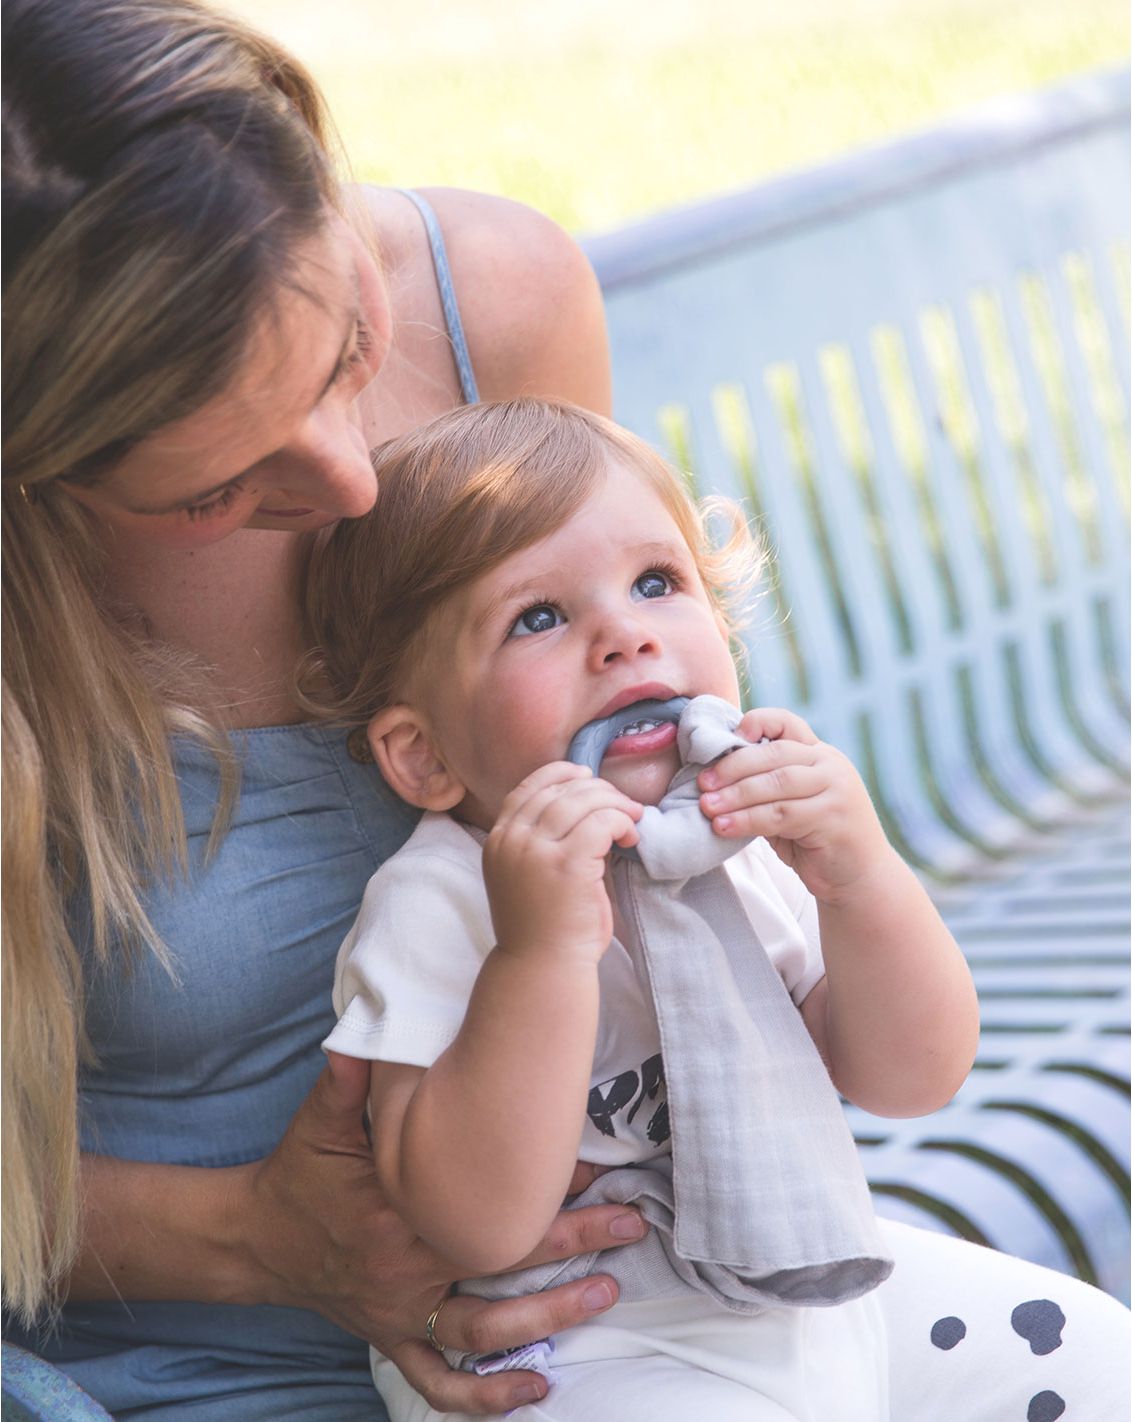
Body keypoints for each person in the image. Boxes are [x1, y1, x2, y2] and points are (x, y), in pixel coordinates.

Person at [0, 2, 682, 1416]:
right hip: (173, 1354)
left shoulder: (498, 302)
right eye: (209, 493)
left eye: (347, 354)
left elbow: (651, 742)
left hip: (633, 1317)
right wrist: (261, 1239)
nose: (354, 485)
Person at [303, 398, 1131, 1422]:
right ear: (424, 755)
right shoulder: (440, 902)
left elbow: (911, 1078)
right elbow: (476, 1222)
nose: (624, 637)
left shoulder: (726, 841)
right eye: (539, 618)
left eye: (657, 582)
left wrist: (858, 878)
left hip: (810, 1289)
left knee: (1094, 1362)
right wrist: (540, 953)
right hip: (591, 1353)